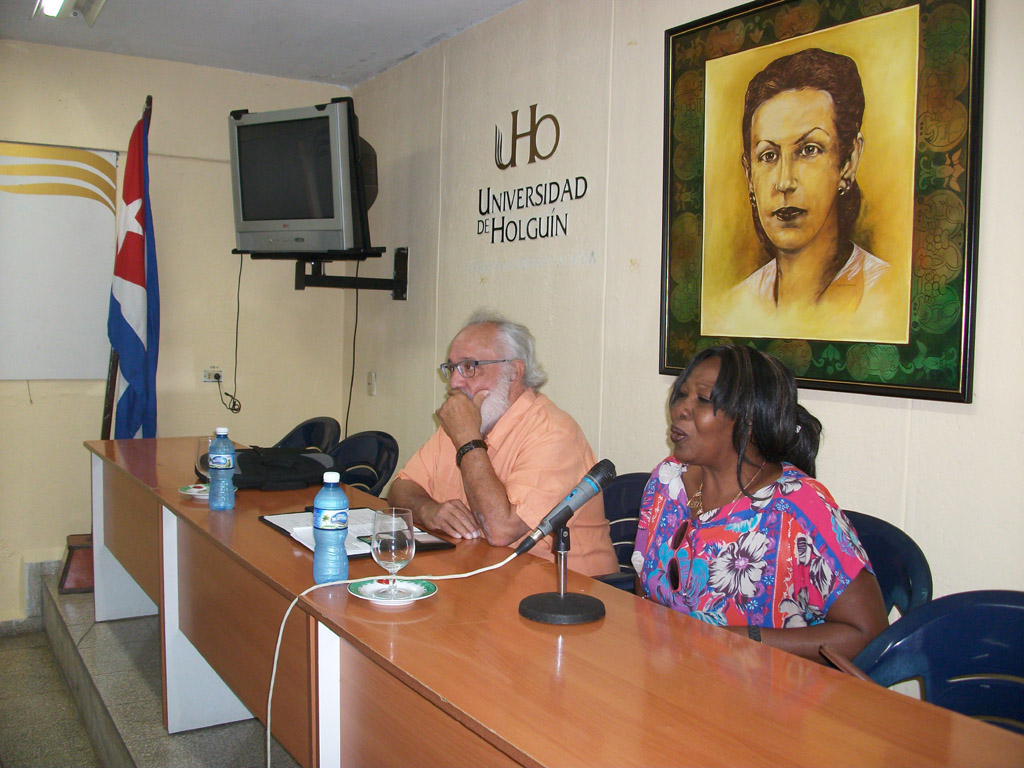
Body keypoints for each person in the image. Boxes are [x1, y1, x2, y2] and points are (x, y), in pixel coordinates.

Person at [632, 344, 888, 663]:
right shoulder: (667, 481)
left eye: (703, 399)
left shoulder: (799, 508)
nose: (680, 410)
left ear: (749, 419)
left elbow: (868, 633)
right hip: (674, 684)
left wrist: (746, 640)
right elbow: (645, 589)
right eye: (681, 395)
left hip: (767, 697)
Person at [387, 309, 618, 577]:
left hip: (564, 591)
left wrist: (467, 440)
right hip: (486, 576)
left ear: (514, 372)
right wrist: (430, 511)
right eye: (452, 367)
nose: (454, 382)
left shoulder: (554, 433)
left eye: (469, 367)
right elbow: (400, 488)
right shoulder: (463, 422)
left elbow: (500, 531)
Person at [718, 48, 896, 337]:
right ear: (749, 175)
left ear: (848, 161)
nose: (785, 182)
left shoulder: (887, 296)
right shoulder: (733, 307)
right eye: (768, 156)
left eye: (808, 150)